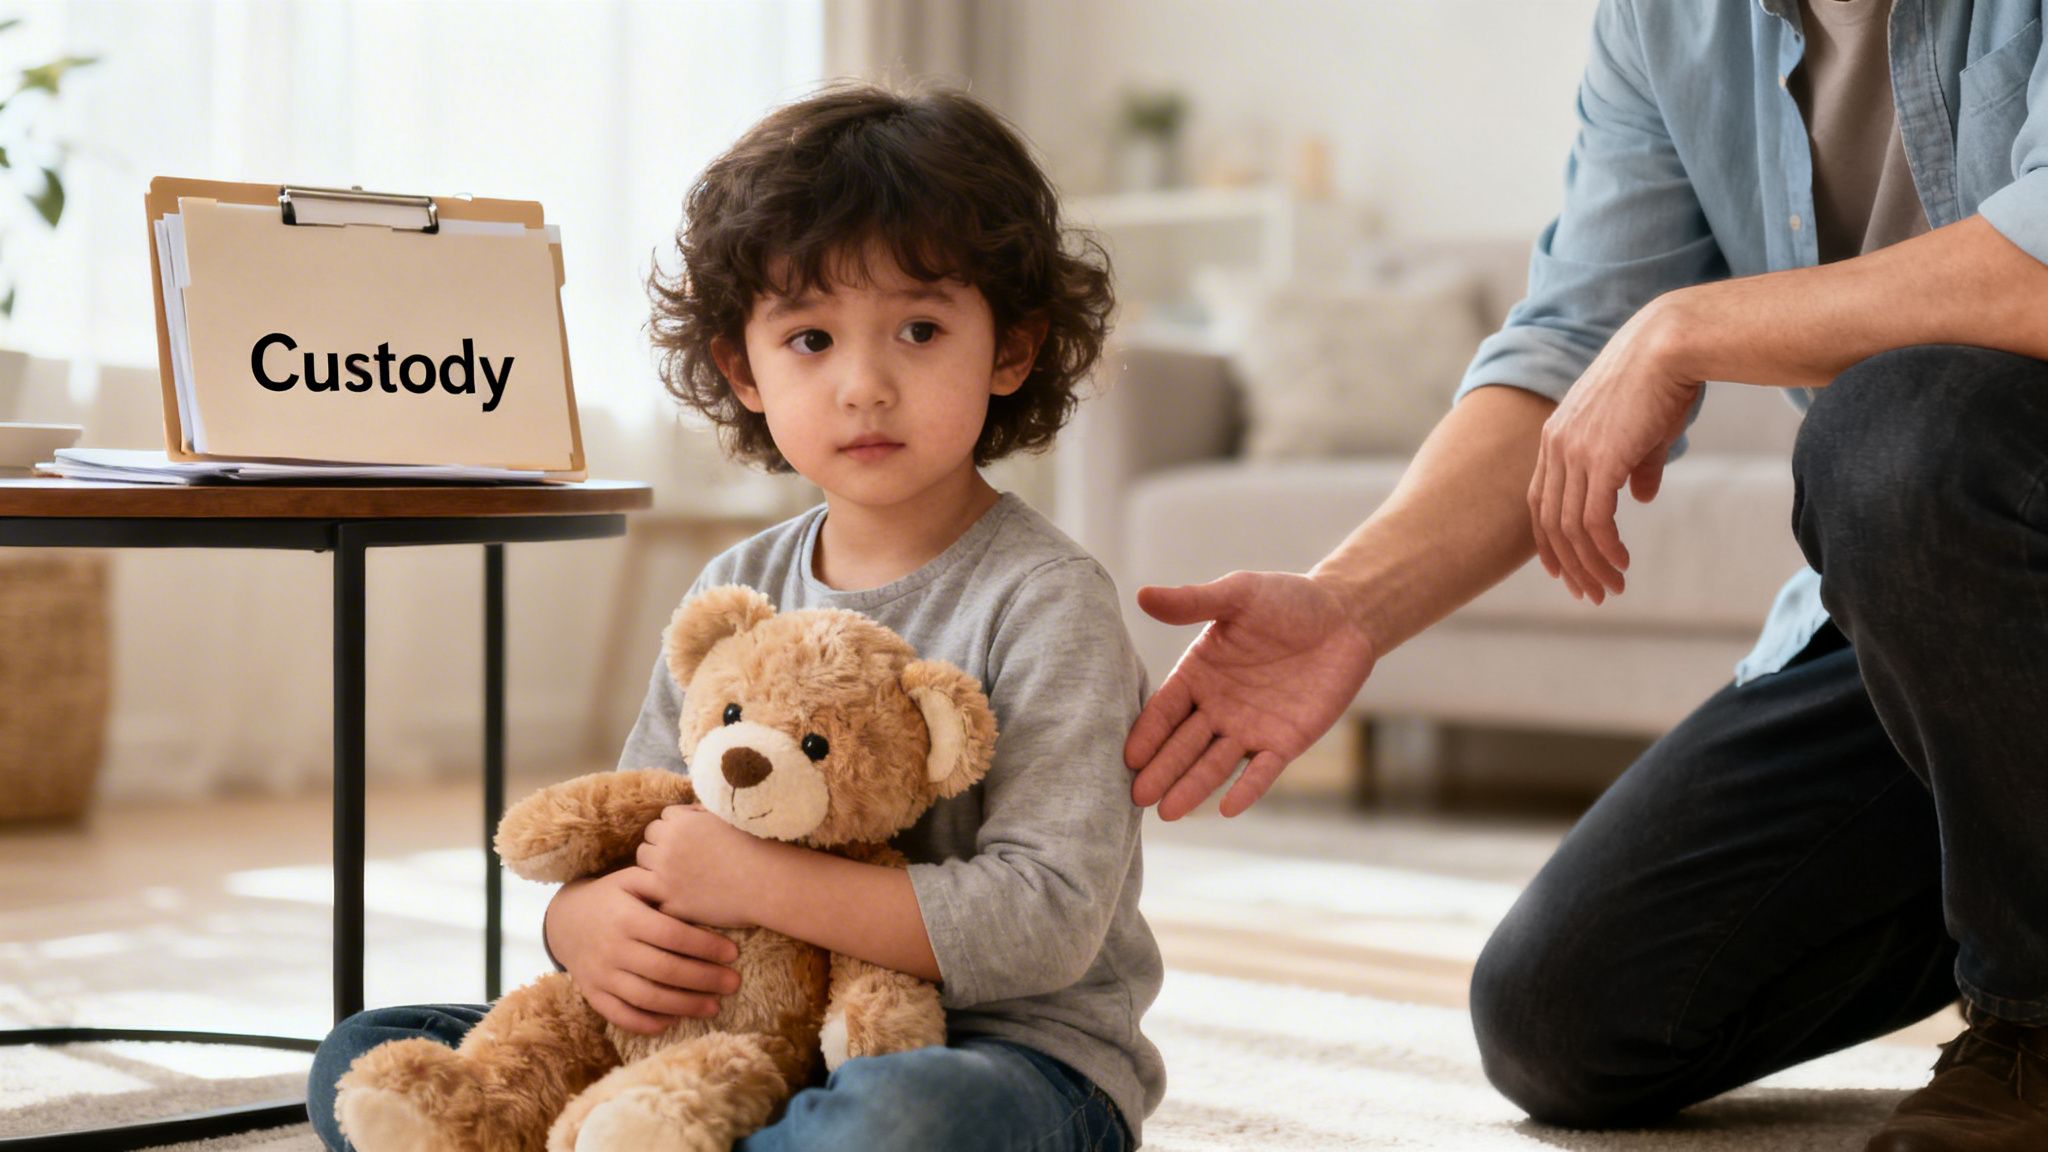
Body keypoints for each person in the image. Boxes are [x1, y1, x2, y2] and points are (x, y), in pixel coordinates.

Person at [1123, 2, 2048, 1150]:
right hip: (1952, 626)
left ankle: (2032, 1024)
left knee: (1895, 430)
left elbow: (2035, 277)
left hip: (1985, 507)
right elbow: (1571, 348)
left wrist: (1682, 327)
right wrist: (1349, 603)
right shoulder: (1667, 22)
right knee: (1565, 1016)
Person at [306, 82, 1158, 1151]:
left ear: (1011, 351)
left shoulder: (1044, 599)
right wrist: (581, 926)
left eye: (919, 328)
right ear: (738, 370)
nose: (863, 384)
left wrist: (760, 879)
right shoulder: (739, 584)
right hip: (727, 1043)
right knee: (367, 1052)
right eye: (809, 339)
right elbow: (640, 832)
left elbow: (1044, 923)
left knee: (901, 1121)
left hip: (1003, 1062)